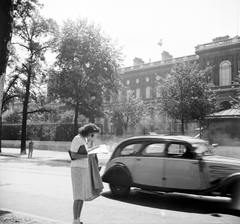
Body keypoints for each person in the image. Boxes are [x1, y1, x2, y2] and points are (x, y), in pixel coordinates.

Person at [69, 123, 102, 224]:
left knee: (82, 196)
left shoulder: (84, 140)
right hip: (77, 169)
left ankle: (78, 220)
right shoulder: (77, 139)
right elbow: (73, 155)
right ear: (89, 132)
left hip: (83, 168)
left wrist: (91, 149)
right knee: (78, 196)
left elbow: (85, 155)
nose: (94, 136)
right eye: (93, 134)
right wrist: (88, 154)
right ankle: (75, 220)